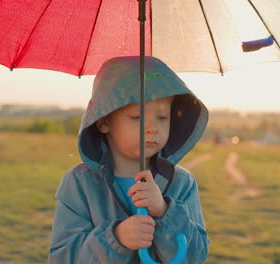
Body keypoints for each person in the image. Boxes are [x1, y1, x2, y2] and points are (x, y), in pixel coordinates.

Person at [49, 56, 209, 263]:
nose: (153, 128)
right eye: (137, 117)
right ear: (104, 122)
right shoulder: (78, 184)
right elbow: (62, 258)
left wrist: (163, 212)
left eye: (162, 117)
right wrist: (116, 239)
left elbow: (195, 257)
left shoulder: (181, 182)